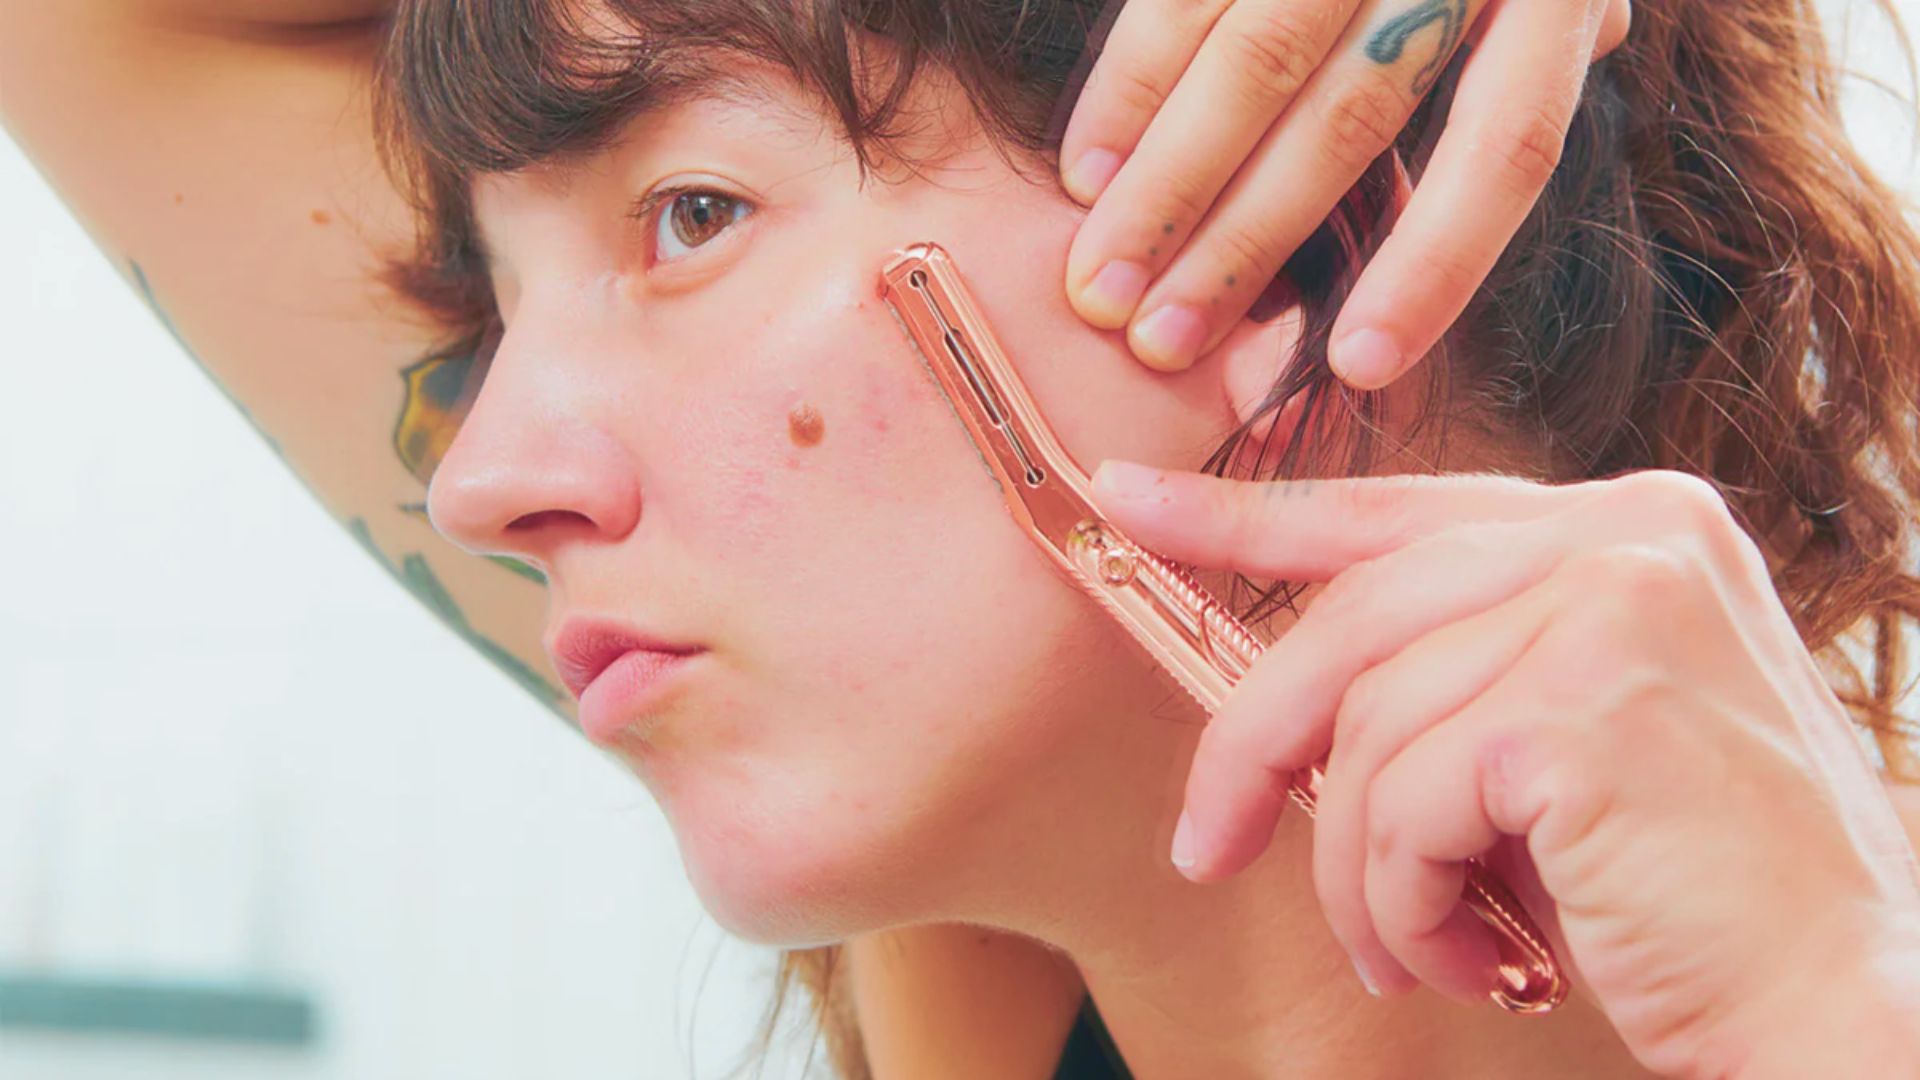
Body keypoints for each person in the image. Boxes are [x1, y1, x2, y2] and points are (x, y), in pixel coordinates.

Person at [5, 2, 1918, 1078]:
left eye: (687, 214)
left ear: (1315, 218)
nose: (482, 476)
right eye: (493, 310)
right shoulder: (962, 987)